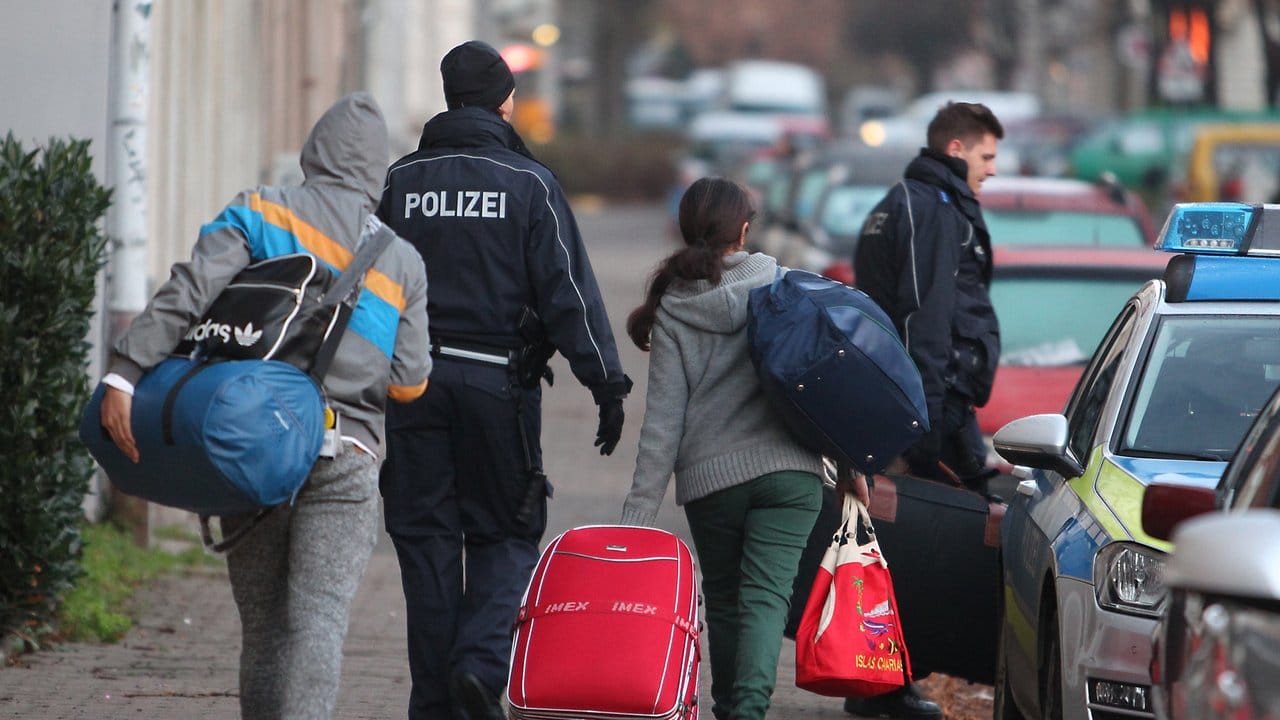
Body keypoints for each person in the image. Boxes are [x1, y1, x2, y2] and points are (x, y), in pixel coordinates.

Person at [98, 92, 432, 720]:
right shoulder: (401, 261)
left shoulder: (257, 210)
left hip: (250, 440)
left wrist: (124, 373)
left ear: (314, 152)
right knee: (320, 622)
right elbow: (409, 384)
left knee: (264, 625)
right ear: (377, 171)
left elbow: (188, 293)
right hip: (347, 453)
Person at [376, 40, 631, 720]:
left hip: (412, 388)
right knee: (505, 535)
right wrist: (605, 382)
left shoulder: (400, 183)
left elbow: (370, 293)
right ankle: (481, 665)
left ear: (448, 99)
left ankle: (434, 702)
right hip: (498, 389)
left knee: (427, 543)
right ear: (503, 101)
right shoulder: (528, 184)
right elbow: (567, 293)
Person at [621, 177, 866, 720]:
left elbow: (663, 422)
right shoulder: (783, 285)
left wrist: (638, 515)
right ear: (745, 229)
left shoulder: (675, 309)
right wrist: (849, 465)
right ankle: (746, 712)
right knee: (765, 600)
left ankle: (730, 707)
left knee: (728, 602)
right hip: (790, 473)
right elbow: (828, 385)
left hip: (712, 481)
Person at [842, 101, 1004, 719]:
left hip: (919, 402)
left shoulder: (903, 204)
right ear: (957, 150)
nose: (993, 171)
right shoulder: (930, 210)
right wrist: (928, 418)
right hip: (927, 406)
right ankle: (884, 686)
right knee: (924, 551)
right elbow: (923, 318)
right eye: (987, 156)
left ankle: (886, 683)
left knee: (900, 547)